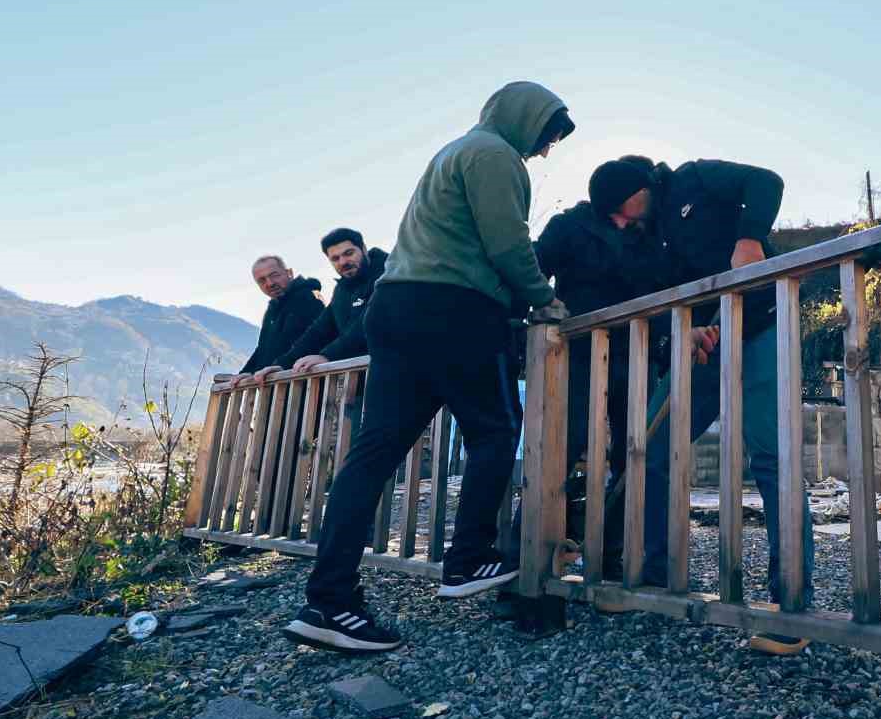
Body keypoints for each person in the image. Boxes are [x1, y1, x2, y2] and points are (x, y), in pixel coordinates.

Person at [282, 81, 574, 653]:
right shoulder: (495, 156)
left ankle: (329, 600)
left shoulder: (453, 152)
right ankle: (468, 559)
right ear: (525, 120)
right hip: (455, 309)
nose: (544, 152)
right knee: (495, 432)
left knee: (374, 454)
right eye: (546, 137)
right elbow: (508, 245)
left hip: (397, 309)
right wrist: (545, 299)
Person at [590, 155, 815, 657]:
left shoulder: (694, 177)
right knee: (649, 445)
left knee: (772, 456)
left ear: (636, 188)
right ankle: (654, 578)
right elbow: (665, 295)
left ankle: (794, 604)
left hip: (762, 326)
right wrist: (685, 331)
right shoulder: (646, 238)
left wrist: (749, 238)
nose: (619, 221)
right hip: (706, 344)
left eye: (618, 208)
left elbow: (767, 176)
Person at [530, 183, 674, 577]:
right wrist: (541, 308)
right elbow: (534, 267)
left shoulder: (649, 236)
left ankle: (611, 555)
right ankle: (532, 561)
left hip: (636, 352)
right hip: (576, 355)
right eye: (641, 187)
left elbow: (657, 292)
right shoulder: (570, 226)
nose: (649, 196)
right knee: (563, 447)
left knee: (635, 452)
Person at [248, 228, 388, 382]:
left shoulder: (388, 278)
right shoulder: (342, 290)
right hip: (360, 383)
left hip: (396, 374)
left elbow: (370, 323)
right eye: (335, 258)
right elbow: (319, 331)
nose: (343, 262)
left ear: (363, 249)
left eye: (349, 253)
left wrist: (328, 355)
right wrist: (282, 364)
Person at [235, 256, 323, 377]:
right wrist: (245, 373)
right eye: (262, 280)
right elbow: (263, 348)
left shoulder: (307, 299)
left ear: (289, 273)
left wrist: (282, 365)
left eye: (274, 275)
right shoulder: (273, 308)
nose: (270, 283)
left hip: (302, 384)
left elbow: (313, 340)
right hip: (276, 385)